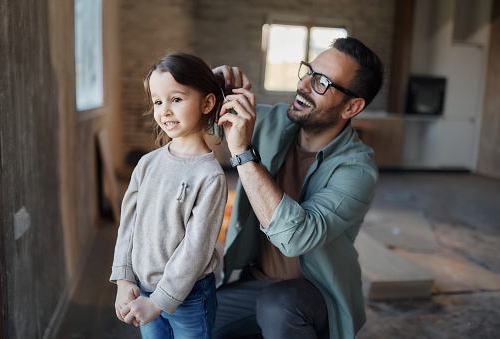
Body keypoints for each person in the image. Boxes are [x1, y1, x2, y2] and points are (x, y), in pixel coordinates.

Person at [213, 37, 384, 339]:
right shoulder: (271, 121)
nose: (304, 85)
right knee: (189, 321)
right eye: (308, 71)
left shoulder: (358, 170)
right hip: (257, 281)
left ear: (352, 106)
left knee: (279, 307)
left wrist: (243, 154)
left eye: (322, 82)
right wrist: (210, 90)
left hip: (315, 296)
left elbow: (294, 239)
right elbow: (198, 123)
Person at [110, 52, 228, 339]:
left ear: (207, 103)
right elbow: (128, 225)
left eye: (176, 99)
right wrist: (124, 279)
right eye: (158, 101)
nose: (164, 110)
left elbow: (196, 250)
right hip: (143, 288)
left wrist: (159, 302)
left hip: (189, 298)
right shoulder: (147, 164)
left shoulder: (210, 176)